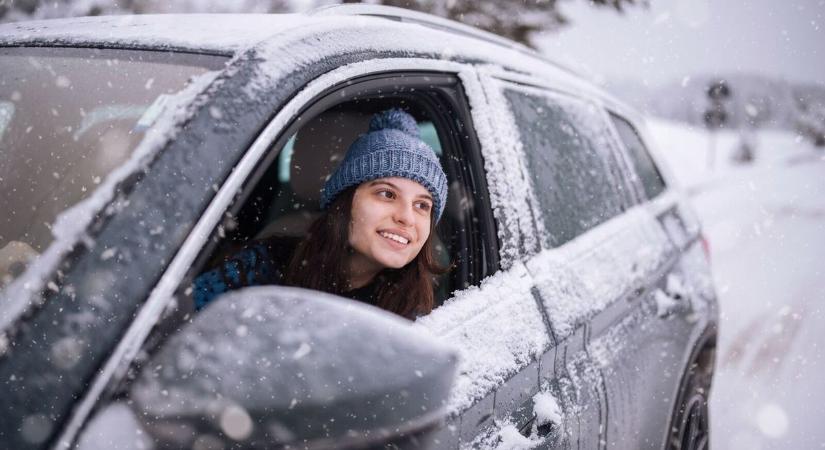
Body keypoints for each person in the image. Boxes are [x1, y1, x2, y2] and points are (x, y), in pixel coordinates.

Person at [192, 108, 448, 319]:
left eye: (422, 205)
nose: (406, 217)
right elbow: (177, 322)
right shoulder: (265, 265)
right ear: (345, 202)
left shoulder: (422, 314)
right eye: (387, 194)